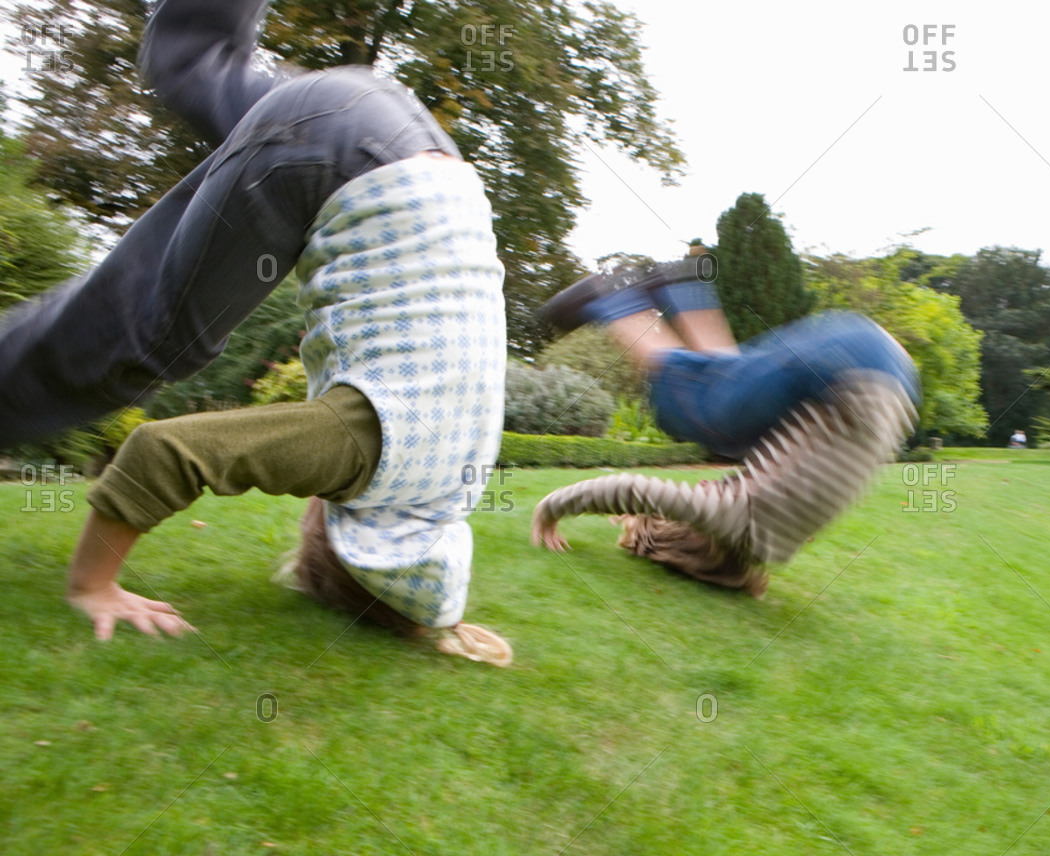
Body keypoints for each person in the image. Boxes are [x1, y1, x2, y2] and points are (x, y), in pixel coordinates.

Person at [0, 0, 511, 664]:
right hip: (333, 154)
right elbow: (165, 453)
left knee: (192, 63)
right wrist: (93, 584)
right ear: (349, 549)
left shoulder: (458, 474)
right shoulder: (371, 459)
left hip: (400, 131)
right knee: (154, 343)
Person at [528, 259, 922, 593]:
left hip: (893, 380)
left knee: (728, 406)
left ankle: (685, 290)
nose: (700, 490)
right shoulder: (736, 523)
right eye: (687, 514)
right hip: (854, 371)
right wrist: (551, 508)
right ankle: (613, 302)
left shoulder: (780, 544)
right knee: (690, 411)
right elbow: (631, 490)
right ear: (697, 538)